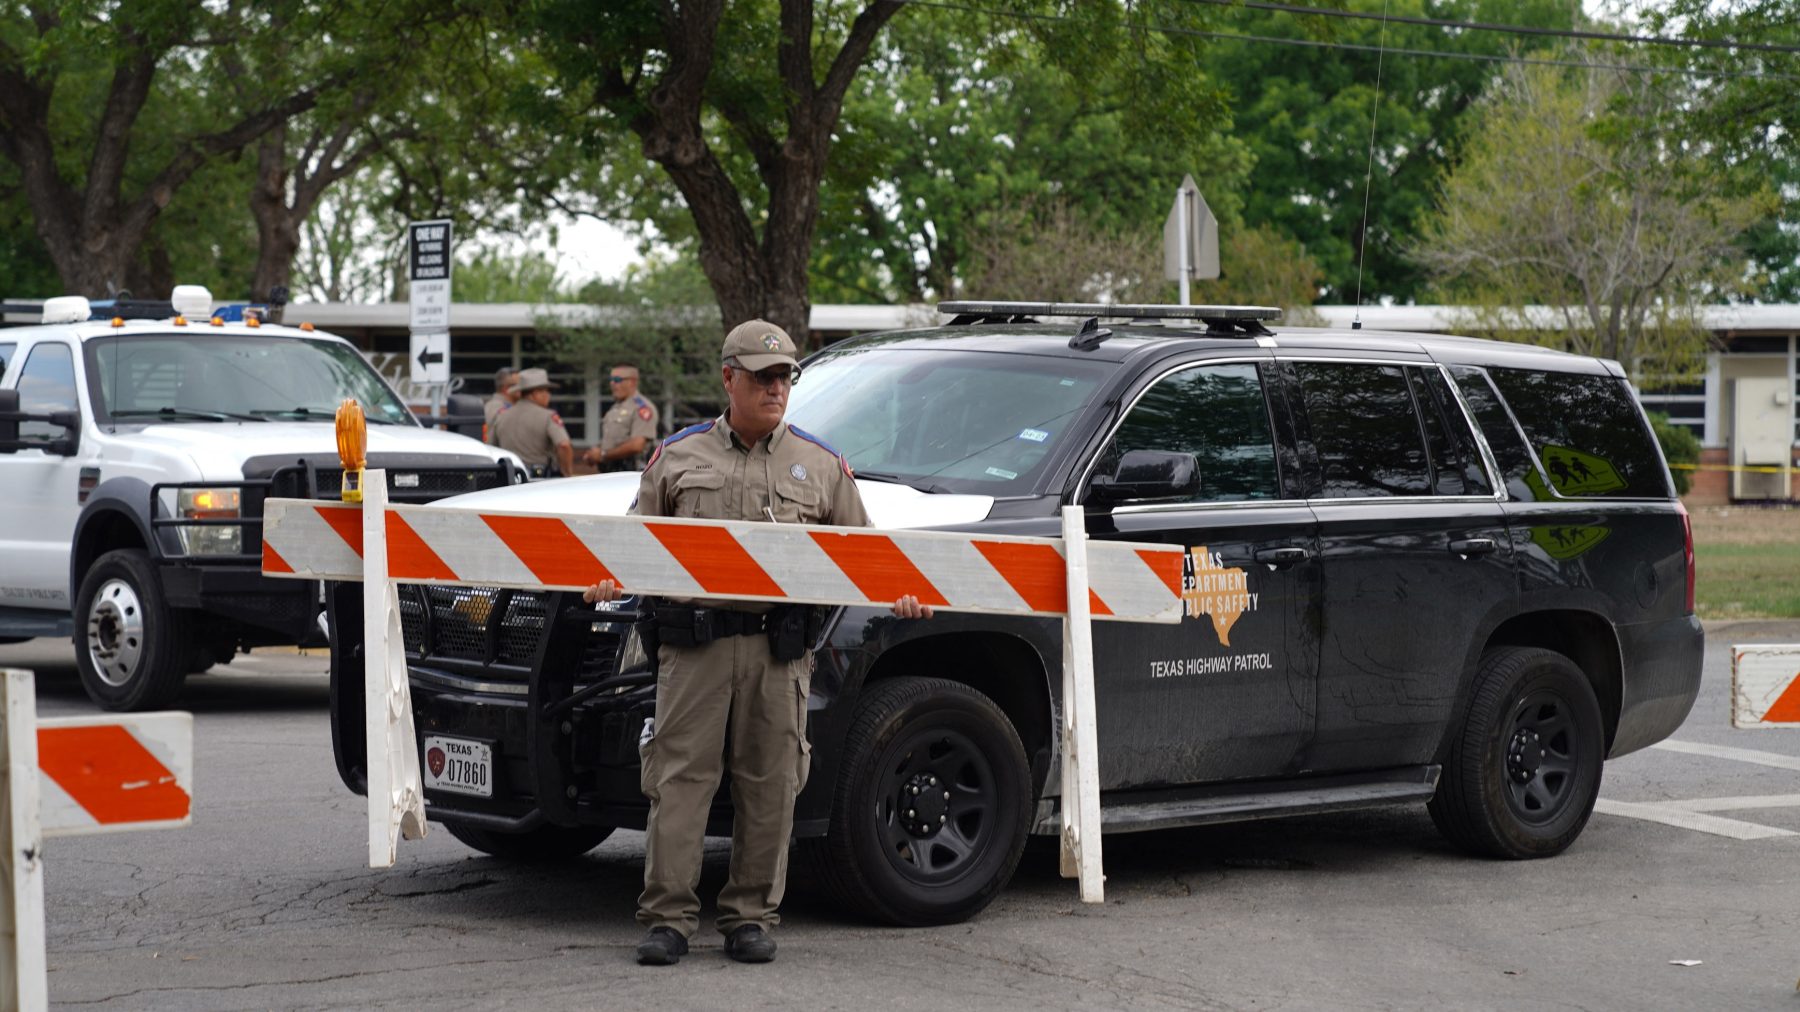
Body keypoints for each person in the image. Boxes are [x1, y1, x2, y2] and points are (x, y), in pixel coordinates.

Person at [584, 320, 932, 967]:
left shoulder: (822, 466)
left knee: (771, 784)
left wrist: (901, 589)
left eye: (785, 377)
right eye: (763, 376)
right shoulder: (679, 456)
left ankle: (749, 916)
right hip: (694, 650)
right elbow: (633, 541)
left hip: (778, 653)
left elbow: (869, 556)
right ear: (728, 378)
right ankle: (668, 918)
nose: (776, 388)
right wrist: (609, 573)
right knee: (680, 781)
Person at [492, 367, 574, 478]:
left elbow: (493, 448)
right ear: (535, 393)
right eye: (546, 391)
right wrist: (567, 473)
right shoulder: (548, 416)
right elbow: (564, 445)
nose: (548, 396)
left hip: (510, 479)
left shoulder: (502, 415)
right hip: (540, 480)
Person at [584, 363, 659, 472]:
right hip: (611, 472)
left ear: (632, 382)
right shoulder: (615, 408)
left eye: (617, 379)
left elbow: (637, 445)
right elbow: (613, 441)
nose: (612, 383)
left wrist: (602, 455)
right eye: (611, 379)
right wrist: (595, 453)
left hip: (630, 474)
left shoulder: (642, 408)